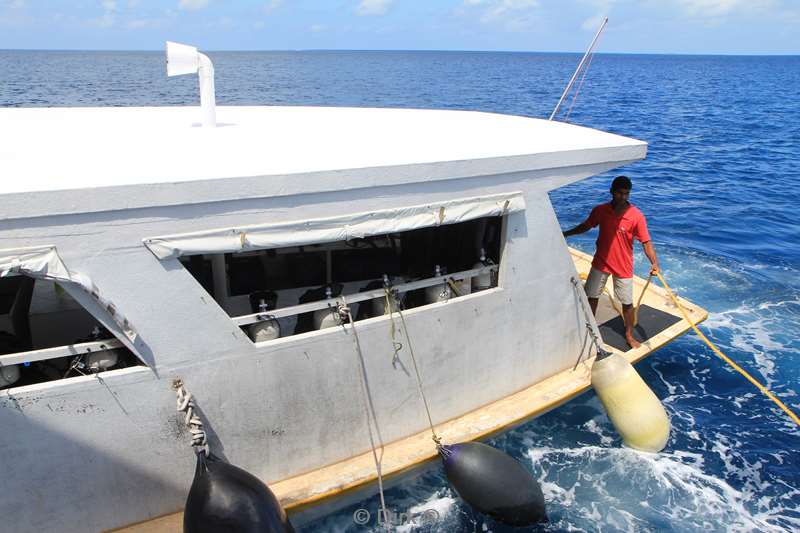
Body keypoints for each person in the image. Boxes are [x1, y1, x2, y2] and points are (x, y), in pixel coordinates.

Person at [562, 175, 659, 349]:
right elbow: (586, 226)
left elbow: (646, 242)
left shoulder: (636, 216)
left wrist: (654, 263)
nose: (623, 197)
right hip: (601, 262)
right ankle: (589, 329)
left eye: (626, 194)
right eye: (620, 193)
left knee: (627, 303)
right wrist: (566, 233)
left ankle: (629, 335)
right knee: (591, 296)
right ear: (612, 192)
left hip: (623, 266)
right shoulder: (600, 210)